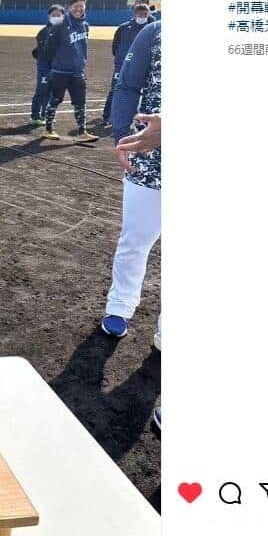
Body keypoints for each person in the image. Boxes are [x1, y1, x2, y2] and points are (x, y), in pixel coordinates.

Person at [101, 20, 161, 359]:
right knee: (135, 239)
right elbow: (126, 86)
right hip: (149, 162)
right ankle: (120, 307)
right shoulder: (155, 33)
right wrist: (122, 135)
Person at [42, 0, 97, 143]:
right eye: (75, 6)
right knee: (55, 100)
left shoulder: (85, 25)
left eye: (81, 6)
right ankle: (48, 129)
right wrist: (51, 68)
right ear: (69, 7)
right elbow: (48, 49)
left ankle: (82, 132)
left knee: (80, 102)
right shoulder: (60, 24)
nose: (79, 9)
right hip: (60, 71)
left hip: (77, 72)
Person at [101, 2, 152, 126]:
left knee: (142, 92)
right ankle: (107, 115)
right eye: (140, 14)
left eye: (145, 14)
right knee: (116, 90)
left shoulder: (150, 29)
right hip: (122, 65)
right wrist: (120, 59)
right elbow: (115, 45)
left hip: (142, 66)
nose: (142, 17)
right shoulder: (123, 28)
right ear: (134, 14)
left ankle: (139, 117)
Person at [30, 4, 63, 126]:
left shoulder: (65, 31)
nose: (56, 17)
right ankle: (35, 115)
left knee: (52, 93)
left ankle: (46, 114)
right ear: (49, 16)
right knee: (42, 91)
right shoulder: (43, 32)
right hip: (45, 67)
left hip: (58, 67)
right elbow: (43, 52)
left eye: (58, 15)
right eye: (53, 15)